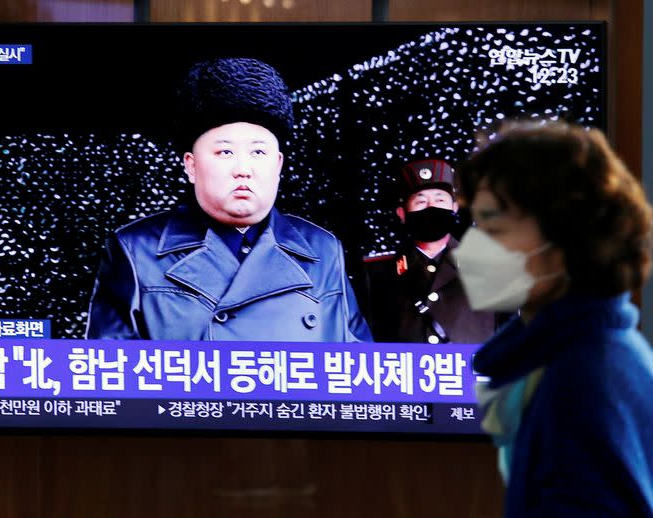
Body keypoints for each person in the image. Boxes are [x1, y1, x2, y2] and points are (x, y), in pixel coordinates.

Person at [86, 57, 371, 342]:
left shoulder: (322, 249)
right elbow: (110, 371)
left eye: (258, 153)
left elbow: (356, 367)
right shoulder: (137, 250)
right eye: (225, 152)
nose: (243, 170)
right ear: (191, 165)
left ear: (279, 164)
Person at [453, 121, 653, 516]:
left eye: (495, 227)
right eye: (477, 225)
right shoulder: (573, 355)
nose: (471, 250)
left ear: (566, 236)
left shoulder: (583, 379)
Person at [363, 158, 498, 344]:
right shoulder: (376, 273)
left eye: (440, 199)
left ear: (454, 208)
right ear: (402, 214)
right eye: (420, 201)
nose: (431, 207)